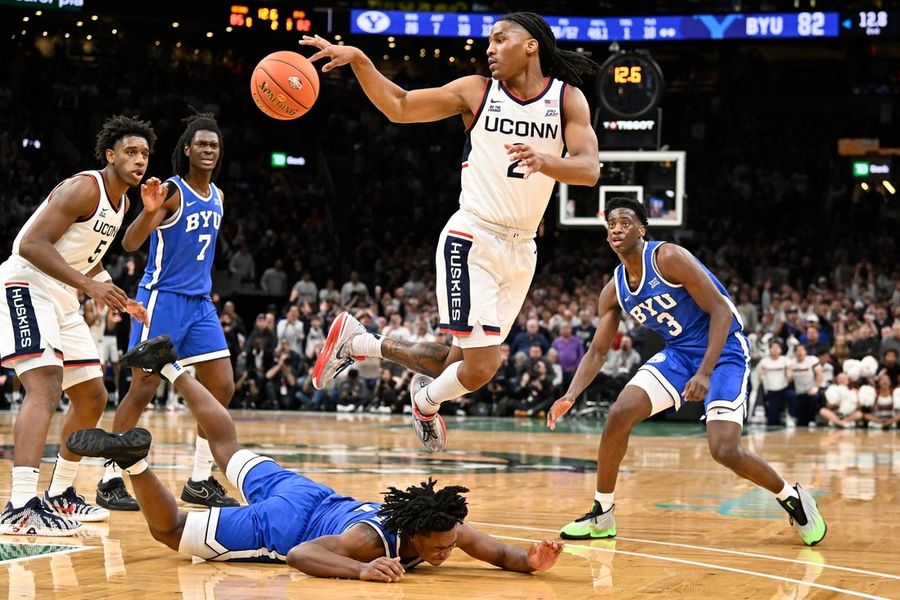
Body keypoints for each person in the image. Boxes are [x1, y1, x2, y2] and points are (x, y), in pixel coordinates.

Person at [303, 12, 600, 451]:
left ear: (531, 45)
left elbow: (589, 169)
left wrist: (546, 161)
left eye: (500, 39)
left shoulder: (567, 99)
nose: (490, 48)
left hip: (523, 248)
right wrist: (362, 61)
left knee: (457, 363)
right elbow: (400, 105)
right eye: (489, 41)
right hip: (472, 237)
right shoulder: (477, 91)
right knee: (482, 366)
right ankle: (424, 402)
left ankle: (361, 342)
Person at [66, 335, 564, 580]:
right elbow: (303, 555)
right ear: (412, 535)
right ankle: (135, 462)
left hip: (307, 491)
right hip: (286, 525)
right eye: (438, 548)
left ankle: (171, 367)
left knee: (227, 448)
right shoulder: (368, 541)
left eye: (449, 546)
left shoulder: (442, 525)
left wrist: (529, 561)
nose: (445, 553)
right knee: (171, 530)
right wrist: (360, 571)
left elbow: (495, 552)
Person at [545, 198, 827, 546]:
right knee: (619, 413)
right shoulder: (614, 289)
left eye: (625, 223)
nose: (617, 229)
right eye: (612, 224)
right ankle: (602, 514)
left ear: (642, 229)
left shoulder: (667, 257)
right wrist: (571, 394)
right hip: (679, 355)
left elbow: (722, 312)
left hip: (723, 351)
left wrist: (705, 373)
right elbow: (598, 351)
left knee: (724, 449)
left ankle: (792, 497)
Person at [0, 115, 157, 535]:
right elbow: (30, 244)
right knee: (45, 383)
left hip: (63, 293)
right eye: (130, 152)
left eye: (144, 154)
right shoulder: (85, 187)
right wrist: (89, 286)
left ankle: (60, 494)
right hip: (27, 283)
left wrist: (119, 297)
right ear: (110, 155)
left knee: (91, 395)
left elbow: (86, 256)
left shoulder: (123, 204)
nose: (139, 160)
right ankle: (20, 506)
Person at [103, 112, 238, 511]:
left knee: (222, 385)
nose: (209, 150)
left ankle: (199, 479)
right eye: (202, 144)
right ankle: (110, 477)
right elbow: (130, 243)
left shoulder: (218, 196)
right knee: (143, 388)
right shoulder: (172, 191)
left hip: (200, 304)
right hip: (162, 299)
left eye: (214, 145)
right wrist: (148, 212)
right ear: (187, 149)